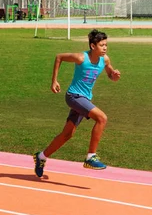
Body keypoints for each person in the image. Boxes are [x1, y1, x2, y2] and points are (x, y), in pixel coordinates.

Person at [33, 29, 121, 177]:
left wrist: (115, 76)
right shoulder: (81, 58)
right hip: (74, 96)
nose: (105, 48)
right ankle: (90, 157)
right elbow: (59, 57)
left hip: (84, 99)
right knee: (102, 118)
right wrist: (54, 81)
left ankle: (41, 156)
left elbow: (111, 75)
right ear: (93, 46)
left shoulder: (105, 60)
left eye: (106, 45)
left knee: (67, 134)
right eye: (102, 45)